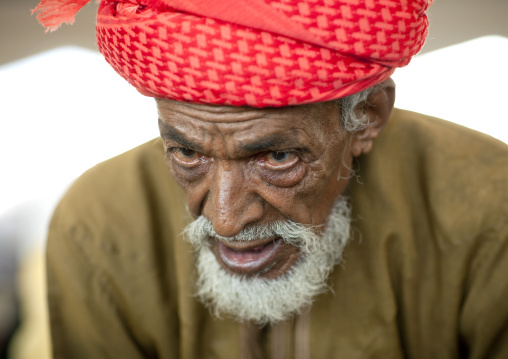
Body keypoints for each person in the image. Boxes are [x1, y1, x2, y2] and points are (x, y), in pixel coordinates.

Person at [33, 0, 508, 358]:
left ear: (365, 117)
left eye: (277, 156)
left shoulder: (491, 209)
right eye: (186, 153)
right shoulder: (95, 226)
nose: (224, 220)